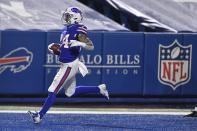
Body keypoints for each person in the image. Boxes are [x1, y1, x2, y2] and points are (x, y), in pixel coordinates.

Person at [28, 7, 109, 124]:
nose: (66, 18)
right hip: (68, 63)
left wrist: (80, 42)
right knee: (70, 93)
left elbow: (91, 46)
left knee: (53, 90)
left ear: (76, 18)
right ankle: (100, 89)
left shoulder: (78, 30)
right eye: (66, 16)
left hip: (69, 65)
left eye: (68, 16)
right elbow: (66, 48)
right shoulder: (66, 30)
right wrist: (57, 50)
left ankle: (39, 116)